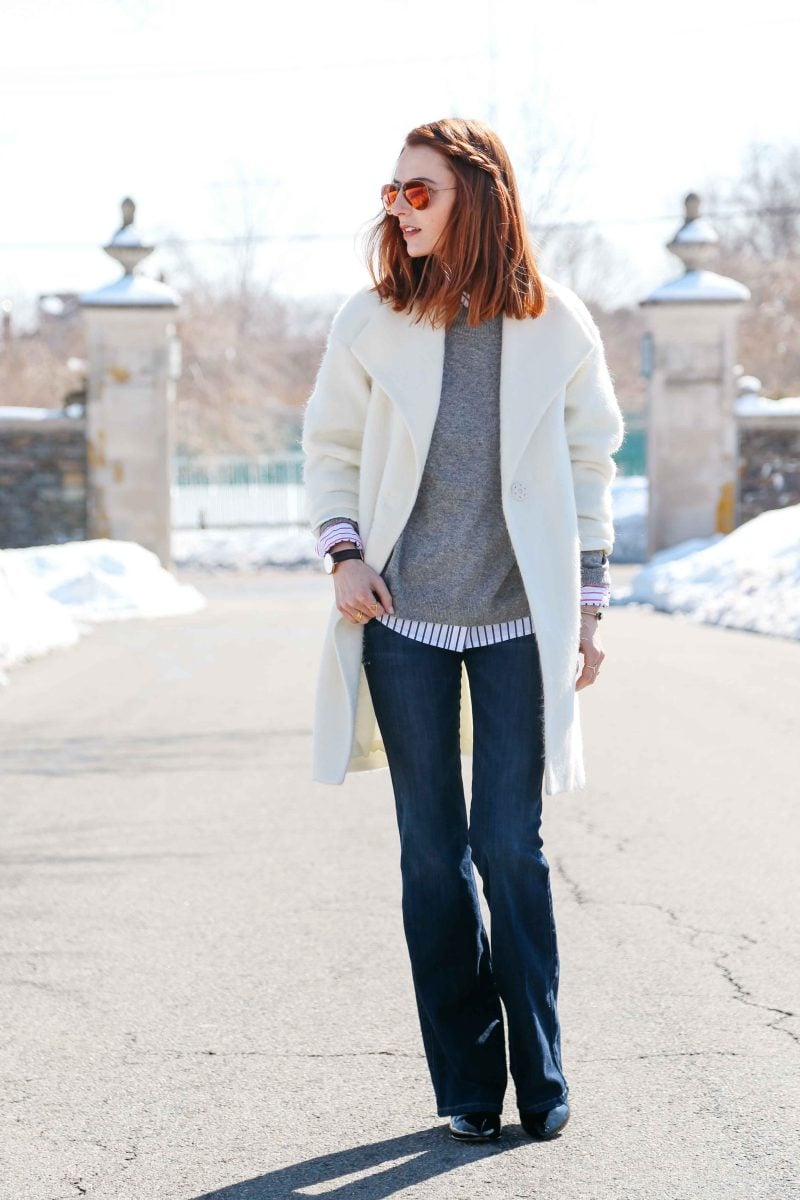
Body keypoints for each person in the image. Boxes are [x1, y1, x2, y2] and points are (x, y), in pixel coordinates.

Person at [301, 118, 625, 1144]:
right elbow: (329, 448)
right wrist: (344, 553)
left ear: (476, 197)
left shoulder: (555, 324)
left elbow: (589, 470)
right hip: (402, 623)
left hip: (513, 623)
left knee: (509, 848)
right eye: (391, 192)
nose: (398, 210)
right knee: (431, 855)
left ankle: (541, 1067)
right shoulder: (370, 319)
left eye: (420, 192)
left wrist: (585, 609)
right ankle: (465, 1085)